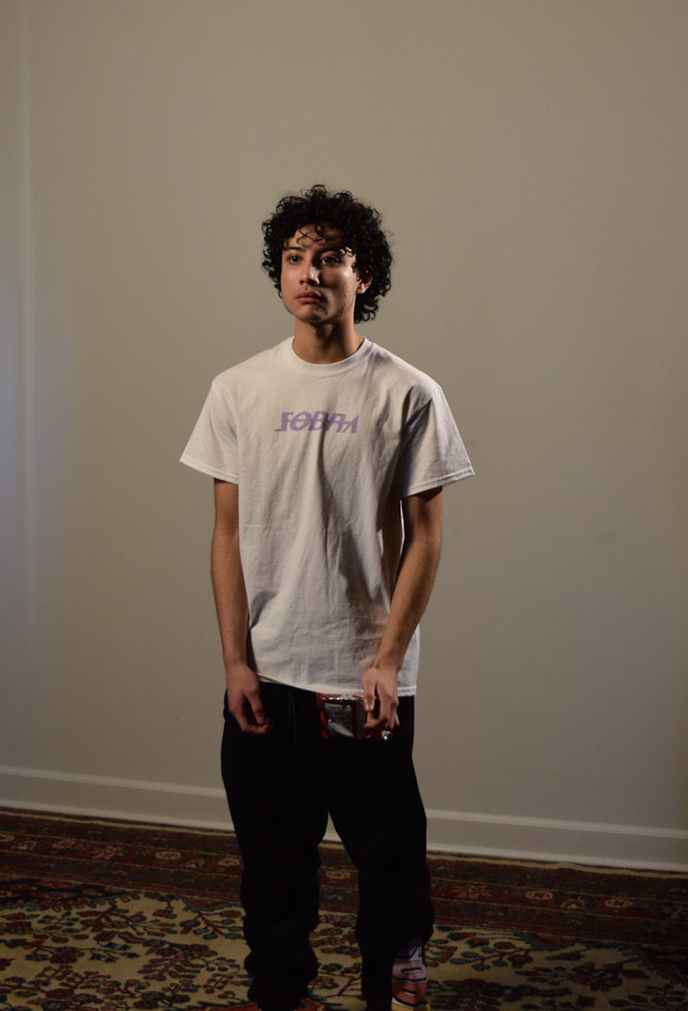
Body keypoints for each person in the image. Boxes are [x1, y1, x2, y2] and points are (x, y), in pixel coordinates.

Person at [181, 185, 474, 1011]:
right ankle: (280, 994)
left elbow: (426, 538)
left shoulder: (407, 392)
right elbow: (227, 535)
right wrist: (235, 662)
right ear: (279, 274)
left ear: (364, 275)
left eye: (331, 259)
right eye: (295, 259)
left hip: (359, 675)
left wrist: (388, 661)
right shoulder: (237, 389)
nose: (310, 274)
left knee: (387, 853)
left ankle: (394, 980)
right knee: (272, 858)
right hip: (267, 671)